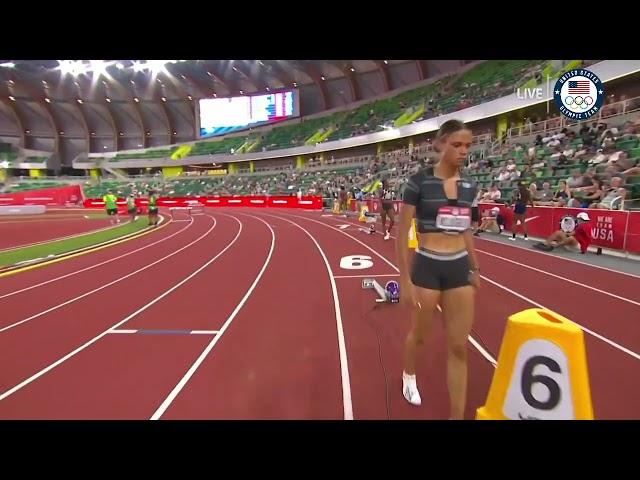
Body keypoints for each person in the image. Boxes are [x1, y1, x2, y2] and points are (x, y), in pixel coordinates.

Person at [397, 119, 479, 420]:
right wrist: (404, 278)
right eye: (457, 144)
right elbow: (402, 230)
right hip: (427, 267)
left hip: (458, 269)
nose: (463, 151)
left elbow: (466, 228)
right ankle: (408, 375)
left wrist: (475, 266)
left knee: (459, 347)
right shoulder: (418, 182)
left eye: (468, 145)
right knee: (420, 336)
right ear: (440, 144)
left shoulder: (469, 186)